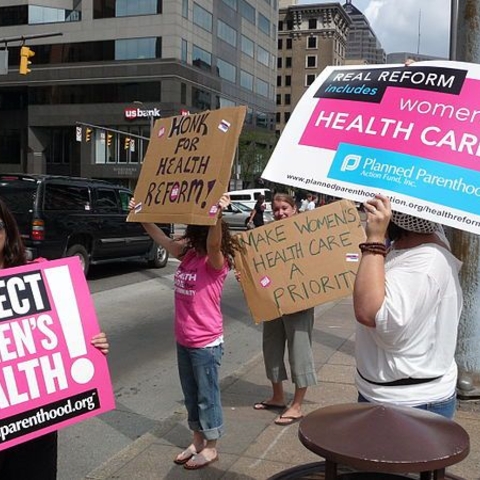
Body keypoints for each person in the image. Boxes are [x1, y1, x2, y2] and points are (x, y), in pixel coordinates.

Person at [0, 197, 109, 480]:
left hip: (35, 424)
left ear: (7, 231)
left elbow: (68, 335)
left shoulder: (38, 272)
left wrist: (92, 344)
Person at [129, 194, 239, 469]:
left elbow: (214, 242)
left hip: (206, 342)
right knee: (191, 395)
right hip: (184, 338)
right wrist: (140, 214)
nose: (188, 236)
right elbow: (159, 238)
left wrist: (216, 215)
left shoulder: (216, 261)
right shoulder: (187, 255)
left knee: (207, 395)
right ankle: (197, 439)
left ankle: (212, 446)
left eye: (194, 230)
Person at [353, 194, 462, 419]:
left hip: (408, 404)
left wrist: (374, 238)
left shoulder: (422, 263)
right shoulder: (412, 246)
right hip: (390, 395)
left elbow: (371, 314)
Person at [250, 193, 317, 425]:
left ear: (294, 208)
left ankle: (297, 405)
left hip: (300, 302)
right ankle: (278, 396)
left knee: (299, 351)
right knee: (271, 347)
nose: (280, 213)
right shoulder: (266, 236)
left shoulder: (306, 231)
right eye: (276, 209)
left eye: (285, 208)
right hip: (274, 303)